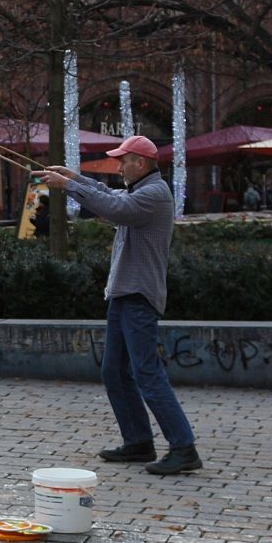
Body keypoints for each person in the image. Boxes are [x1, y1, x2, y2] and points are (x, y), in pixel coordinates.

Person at [34, 135, 203, 476]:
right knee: (114, 371)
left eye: (122, 160)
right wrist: (76, 178)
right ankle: (139, 441)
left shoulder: (154, 194)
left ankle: (184, 447)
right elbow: (112, 196)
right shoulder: (139, 191)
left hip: (139, 296)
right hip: (125, 294)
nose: (119, 166)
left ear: (140, 163)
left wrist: (69, 186)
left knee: (146, 373)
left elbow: (116, 209)